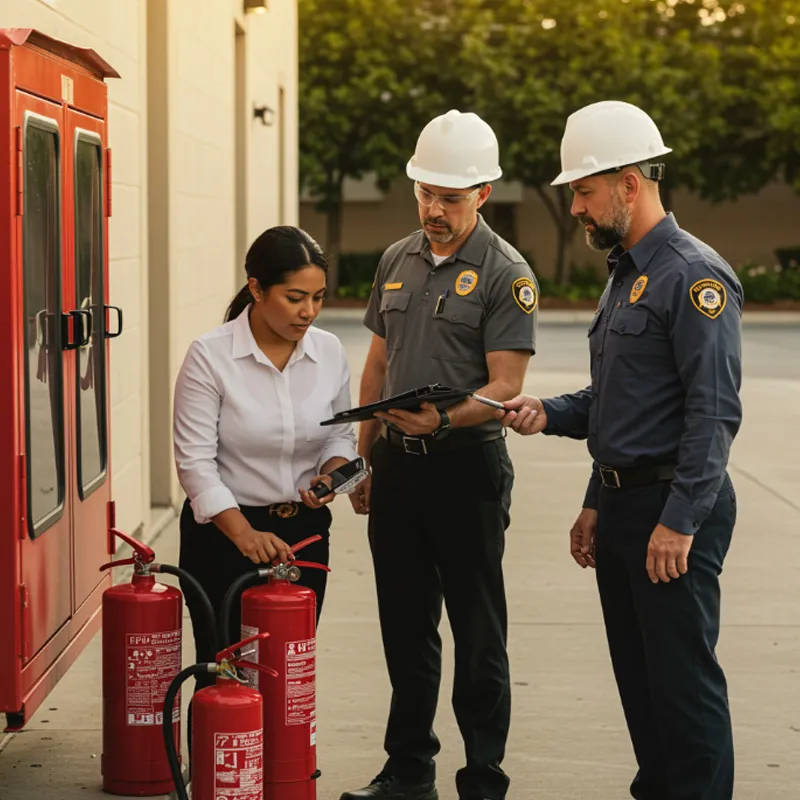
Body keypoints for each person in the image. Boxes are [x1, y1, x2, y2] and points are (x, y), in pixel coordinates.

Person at [499, 101, 742, 800]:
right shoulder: (626, 271)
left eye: (583, 189)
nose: (575, 204)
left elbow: (713, 411)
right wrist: (571, 454)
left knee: (683, 689)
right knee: (641, 684)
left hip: (672, 508)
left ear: (628, 183)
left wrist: (681, 519)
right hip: (627, 504)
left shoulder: (693, 277)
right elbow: (619, 401)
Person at [341, 110, 539, 800]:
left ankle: (483, 776)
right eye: (425, 192)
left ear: (482, 193)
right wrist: (365, 459)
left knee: (478, 634)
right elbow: (377, 367)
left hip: (466, 470)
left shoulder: (505, 272)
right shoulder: (396, 261)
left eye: (450, 197)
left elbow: (506, 386)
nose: (433, 208)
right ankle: (408, 769)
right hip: (396, 467)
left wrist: (438, 422)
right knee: (405, 625)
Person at [173, 225, 358, 687]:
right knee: (225, 676)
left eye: (318, 297)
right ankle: (222, 763)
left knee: (284, 674)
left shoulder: (329, 352)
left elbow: (340, 437)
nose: (309, 312)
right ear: (256, 287)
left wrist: (332, 476)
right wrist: (245, 534)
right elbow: (195, 462)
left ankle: (284, 763)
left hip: (303, 537)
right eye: (295, 297)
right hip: (222, 538)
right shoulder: (210, 356)